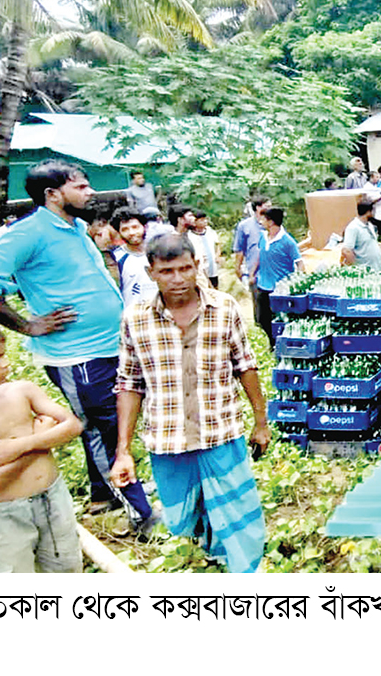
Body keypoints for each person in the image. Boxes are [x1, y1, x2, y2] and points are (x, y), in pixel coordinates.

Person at [0, 160, 154, 529]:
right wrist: (28, 325)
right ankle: (135, 511)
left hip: (108, 346)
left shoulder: (76, 227)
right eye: (80, 186)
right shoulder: (28, 233)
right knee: (103, 428)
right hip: (76, 355)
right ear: (52, 194)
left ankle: (103, 494)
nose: (90, 191)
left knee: (112, 423)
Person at [112, 234, 270, 573]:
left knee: (239, 510)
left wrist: (261, 422)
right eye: (167, 271)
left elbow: (245, 364)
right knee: (181, 516)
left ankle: (248, 572)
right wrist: (123, 450)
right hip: (167, 437)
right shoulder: (135, 318)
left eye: (186, 269)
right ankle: (211, 545)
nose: (179, 279)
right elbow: (129, 382)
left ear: (197, 266)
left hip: (220, 431)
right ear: (151, 271)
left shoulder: (224, 307)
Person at [0, 322, 85, 573]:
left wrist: (22, 446)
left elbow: (72, 425)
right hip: (4, 515)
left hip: (53, 499)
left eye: (3, 355)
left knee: (66, 568)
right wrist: (43, 440)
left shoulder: (20, 391)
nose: (5, 363)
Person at [253, 206, 304, 346]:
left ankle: (280, 344)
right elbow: (259, 256)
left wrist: (297, 282)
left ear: (271, 222)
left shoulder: (288, 241)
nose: (261, 221)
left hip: (280, 288)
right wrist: (252, 273)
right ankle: (272, 343)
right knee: (263, 318)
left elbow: (299, 263)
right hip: (263, 285)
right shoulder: (263, 237)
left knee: (281, 319)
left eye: (264, 218)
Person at [110, 207, 159, 309]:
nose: (131, 232)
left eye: (135, 227)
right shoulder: (115, 258)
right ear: (119, 233)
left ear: (144, 227)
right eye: (125, 229)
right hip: (133, 316)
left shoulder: (160, 251)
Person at [233, 195, 271, 318]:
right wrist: (238, 268)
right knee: (259, 307)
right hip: (254, 273)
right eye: (267, 205)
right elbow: (239, 249)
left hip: (272, 271)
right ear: (258, 208)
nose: (270, 208)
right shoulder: (244, 226)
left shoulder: (273, 224)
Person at [341, 201, 381, 271]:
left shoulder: (370, 225)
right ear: (368, 212)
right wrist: (356, 268)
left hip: (377, 269)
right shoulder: (353, 227)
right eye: (373, 211)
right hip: (365, 272)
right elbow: (347, 250)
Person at [190, 209, 221, 289]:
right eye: (201, 220)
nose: (204, 222)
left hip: (213, 266)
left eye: (205, 219)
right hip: (200, 268)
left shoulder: (210, 231)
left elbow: (217, 244)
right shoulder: (190, 236)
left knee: (215, 286)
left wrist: (217, 255)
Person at [360, 170, 381, 239]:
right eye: (376, 177)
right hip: (374, 211)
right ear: (372, 177)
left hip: (380, 210)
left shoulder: (375, 186)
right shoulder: (367, 187)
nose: (378, 179)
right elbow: (371, 200)